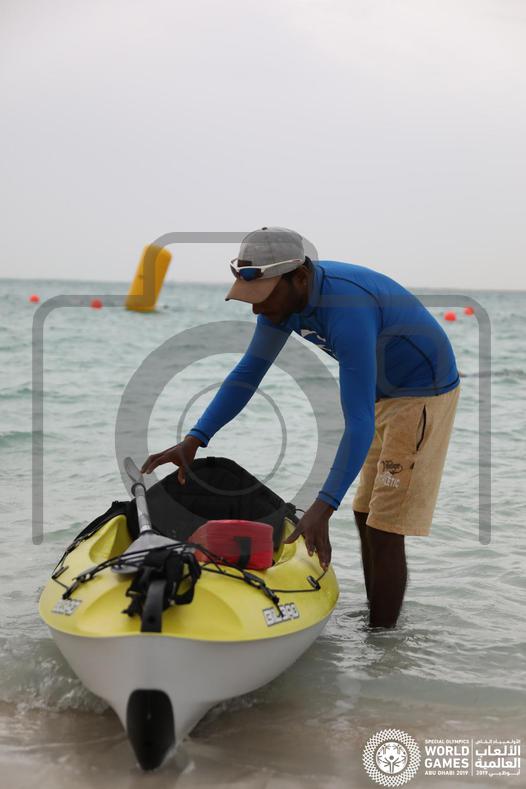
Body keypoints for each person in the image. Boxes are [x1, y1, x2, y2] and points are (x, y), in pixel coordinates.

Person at [142, 227, 460, 628]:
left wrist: (322, 507)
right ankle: (375, 622)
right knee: (364, 513)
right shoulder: (283, 304)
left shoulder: (347, 308)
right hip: (382, 393)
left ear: (301, 276)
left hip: (421, 392)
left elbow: (357, 421)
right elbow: (247, 374)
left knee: (384, 525)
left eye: (263, 296)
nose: (257, 310)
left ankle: (383, 641)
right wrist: (195, 439)